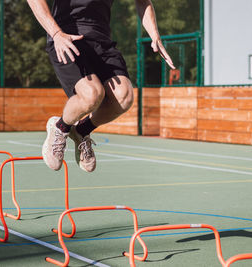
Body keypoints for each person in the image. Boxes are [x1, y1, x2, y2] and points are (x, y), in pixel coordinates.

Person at [27, 0, 175, 172]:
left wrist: (155, 36)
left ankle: (82, 130)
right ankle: (60, 127)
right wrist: (56, 33)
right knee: (92, 94)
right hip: (67, 37)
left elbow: (143, 2)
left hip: (101, 39)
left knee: (124, 96)